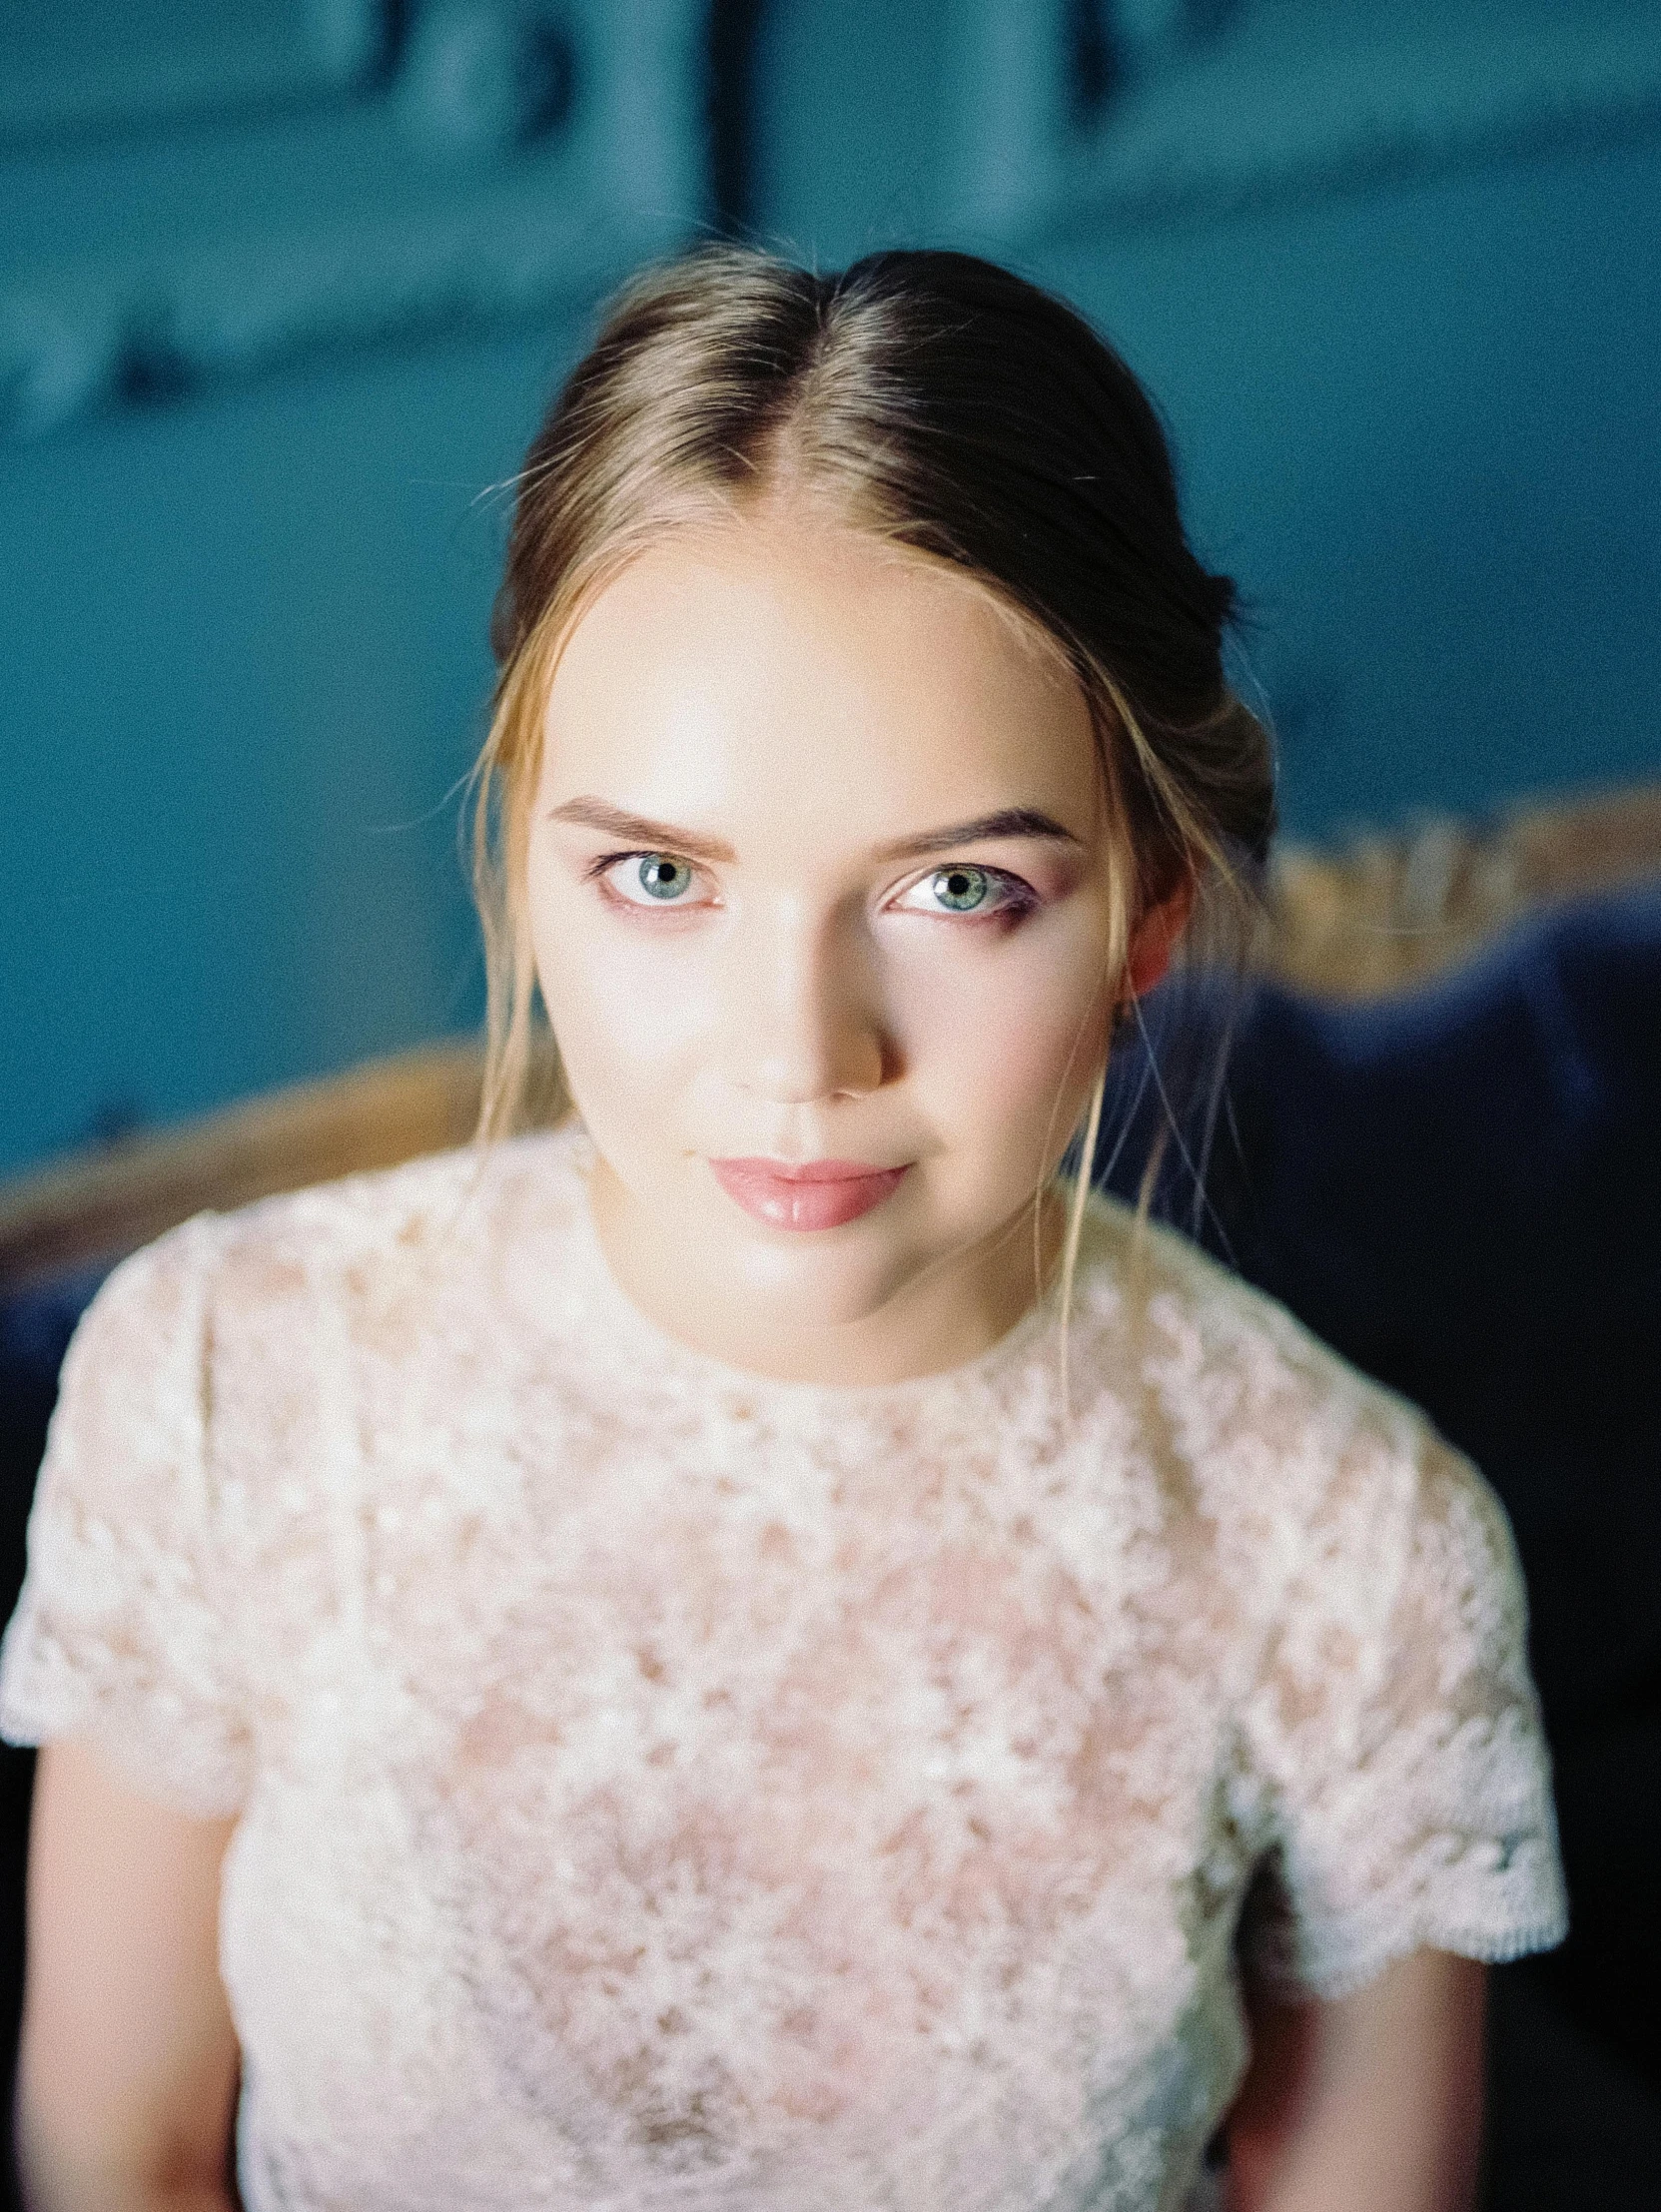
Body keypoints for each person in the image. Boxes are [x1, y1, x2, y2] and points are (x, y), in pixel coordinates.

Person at [0, 249, 1566, 2212]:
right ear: (525, 857)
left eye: (958, 892)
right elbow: (113, 2148)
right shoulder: (227, 1381)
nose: (796, 1052)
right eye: (661, 875)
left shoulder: (1357, 1556)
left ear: (1148, 908)